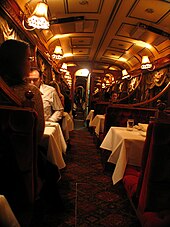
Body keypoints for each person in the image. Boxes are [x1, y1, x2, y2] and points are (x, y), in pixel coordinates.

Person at [0, 39, 45, 143]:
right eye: (29, 58)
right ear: (17, 62)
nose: (31, 63)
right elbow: (38, 133)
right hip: (19, 154)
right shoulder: (31, 91)